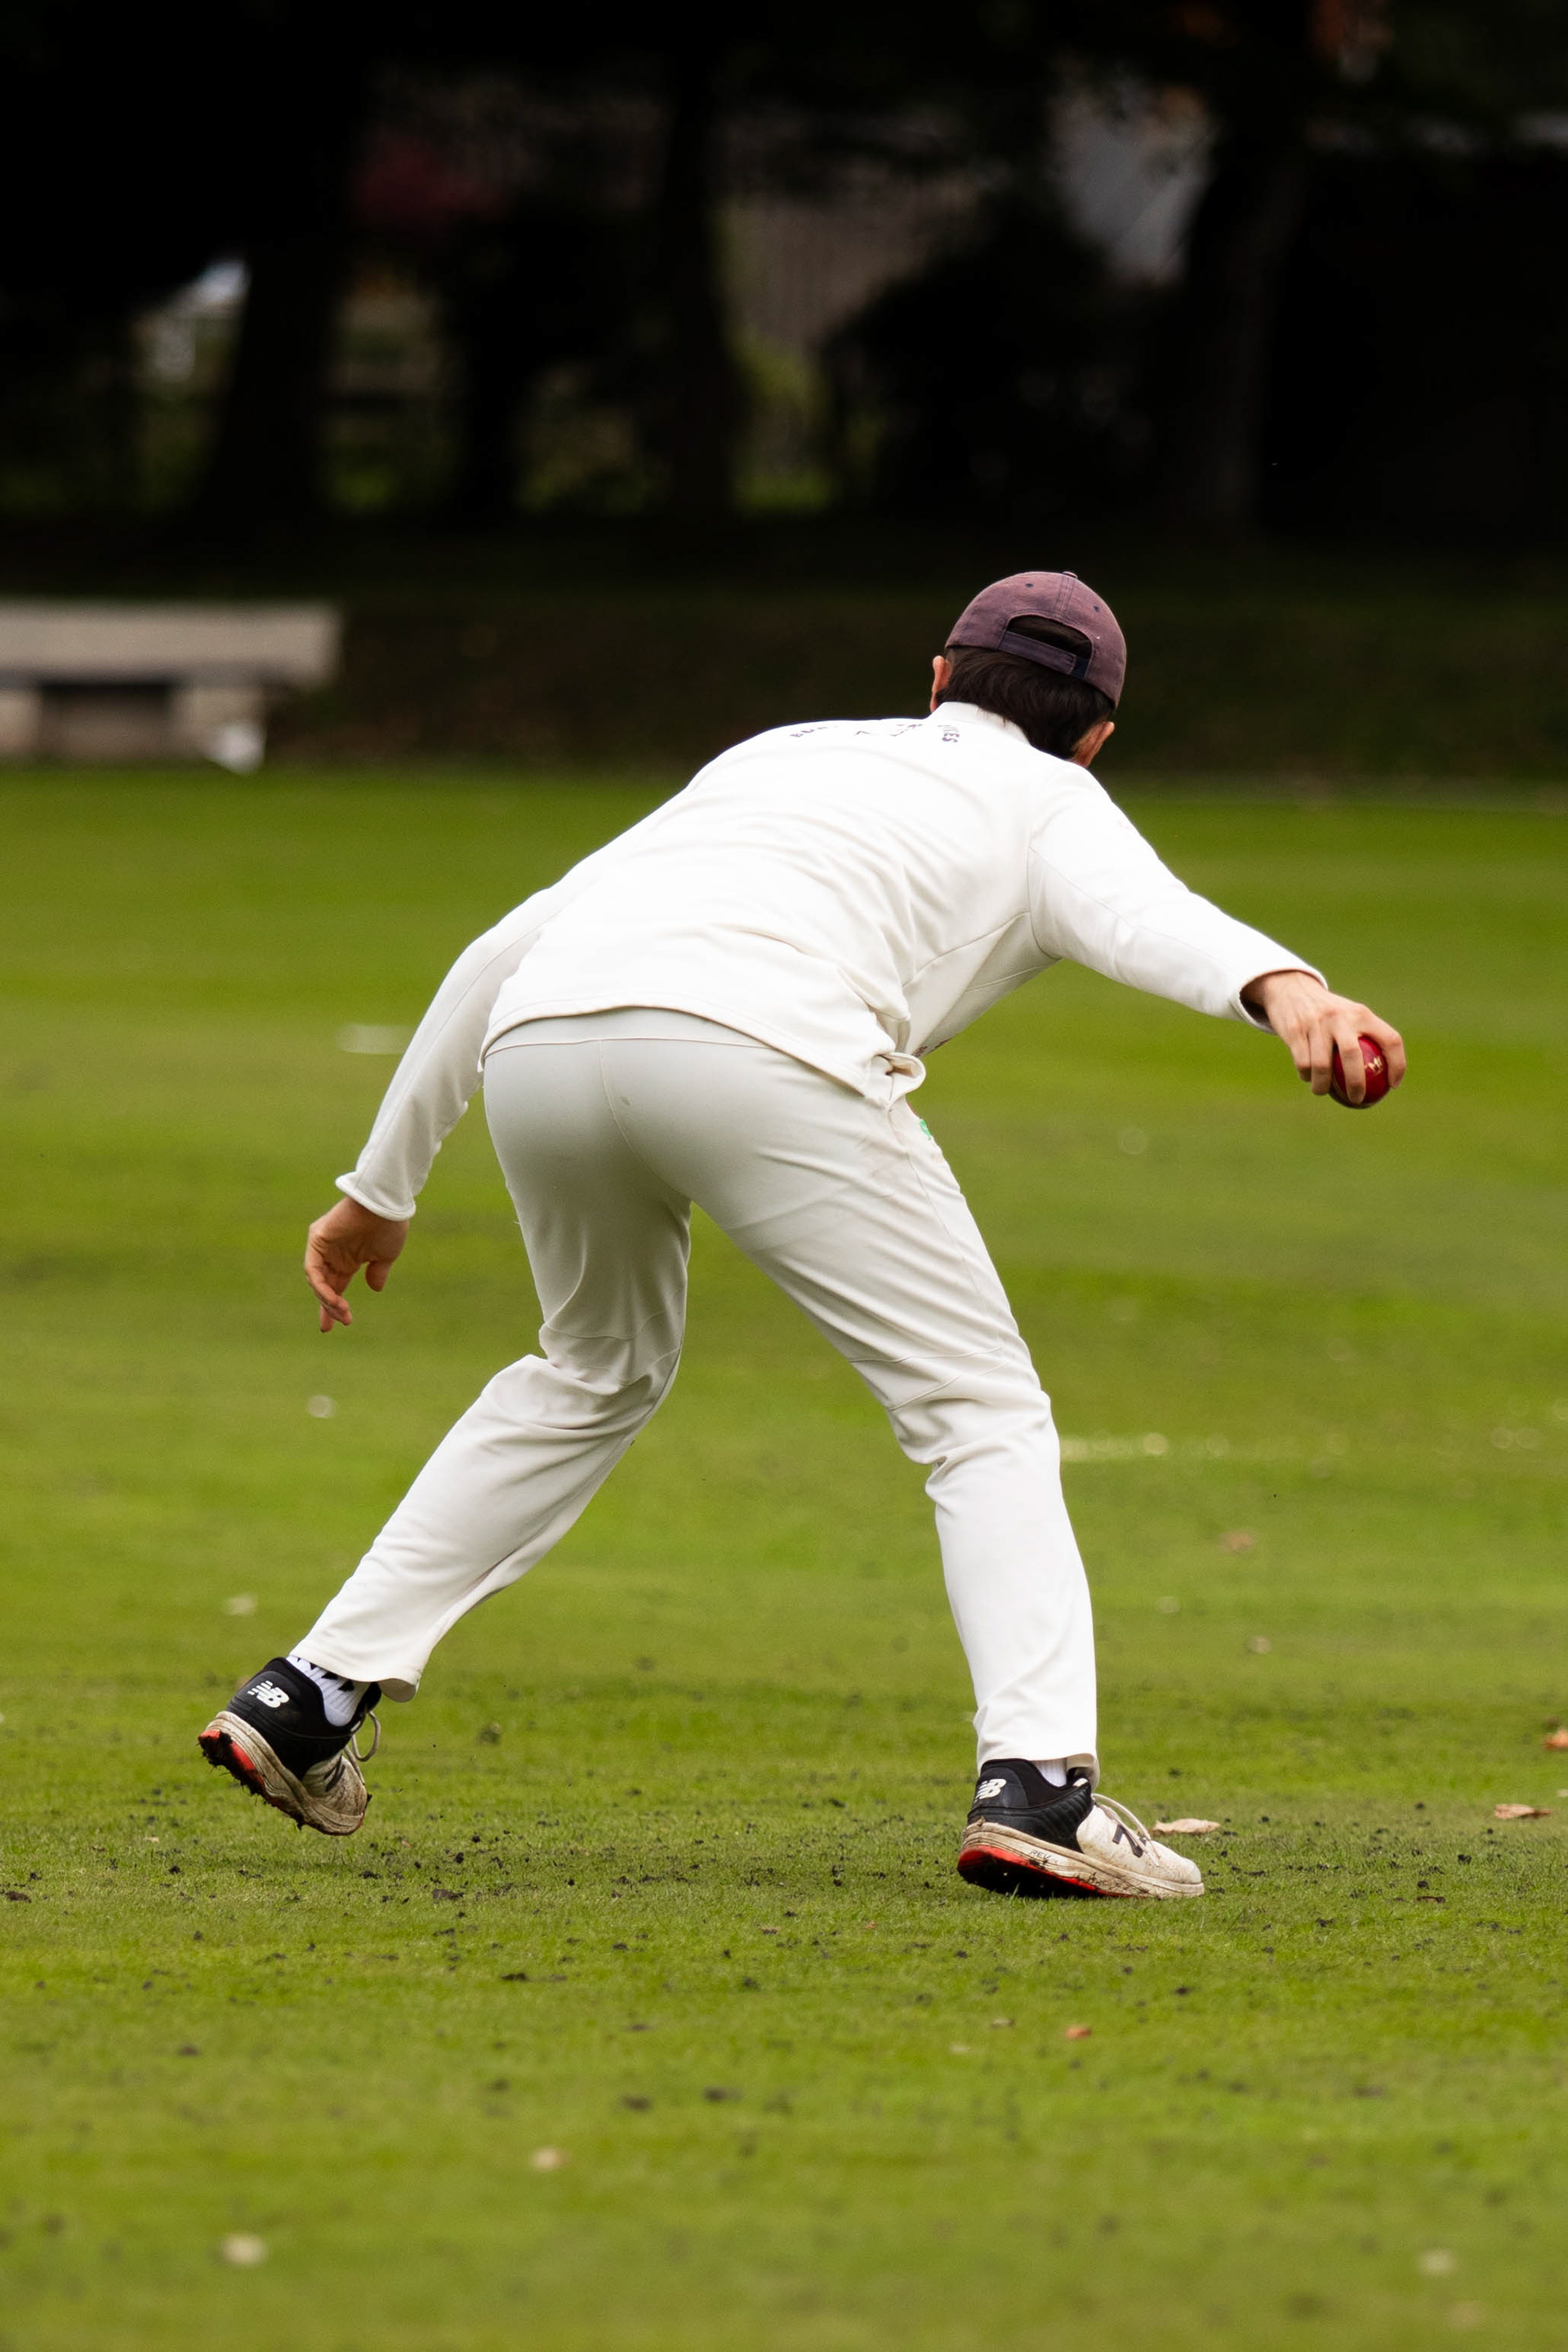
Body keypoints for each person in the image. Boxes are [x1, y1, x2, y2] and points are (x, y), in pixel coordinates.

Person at [199, 571, 1404, 1900]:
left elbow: (502, 946)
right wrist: (1287, 988)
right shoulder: (1054, 799)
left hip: (546, 1039)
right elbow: (1148, 918)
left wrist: (382, 1185)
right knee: (978, 1410)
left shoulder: (779, 753)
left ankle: (312, 1691)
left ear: (936, 676)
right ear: (1098, 735)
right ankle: (1042, 1790)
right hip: (767, 1054)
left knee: (591, 1370)